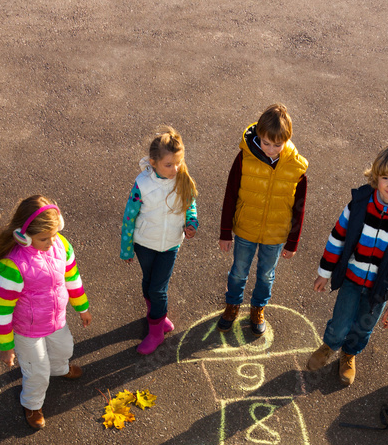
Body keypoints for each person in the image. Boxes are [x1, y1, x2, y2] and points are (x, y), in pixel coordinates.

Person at [306, 140, 388, 385]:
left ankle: (349, 354)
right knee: (340, 321)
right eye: (385, 178)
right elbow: (338, 236)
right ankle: (330, 345)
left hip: (380, 289)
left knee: (363, 326)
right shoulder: (360, 205)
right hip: (352, 277)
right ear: (375, 176)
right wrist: (325, 271)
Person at [0, 195, 91, 430]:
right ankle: (32, 403)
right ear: (23, 236)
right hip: (28, 330)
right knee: (37, 371)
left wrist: (82, 307)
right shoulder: (13, 266)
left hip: (56, 320)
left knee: (65, 348)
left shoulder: (61, 246)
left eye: (55, 234)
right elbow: (2, 310)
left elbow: (72, 277)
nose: (51, 242)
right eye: (43, 238)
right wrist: (6, 346)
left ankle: (60, 369)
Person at [217, 103, 308, 336]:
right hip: (246, 228)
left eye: (277, 145)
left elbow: (299, 208)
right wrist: (225, 231)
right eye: (266, 142)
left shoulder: (296, 167)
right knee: (238, 271)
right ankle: (233, 305)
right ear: (259, 136)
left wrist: (292, 242)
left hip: (276, 234)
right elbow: (230, 193)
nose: (270, 149)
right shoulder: (244, 158)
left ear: (287, 139)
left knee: (267, 275)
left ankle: (258, 308)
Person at [120, 127, 198, 355]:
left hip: (170, 244)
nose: (175, 169)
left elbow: (190, 203)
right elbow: (129, 216)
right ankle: (157, 315)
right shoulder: (142, 184)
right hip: (144, 243)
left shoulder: (182, 179)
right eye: (169, 164)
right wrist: (126, 249)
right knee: (148, 282)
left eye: (178, 163)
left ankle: (156, 333)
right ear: (153, 162)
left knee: (158, 289)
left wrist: (192, 222)